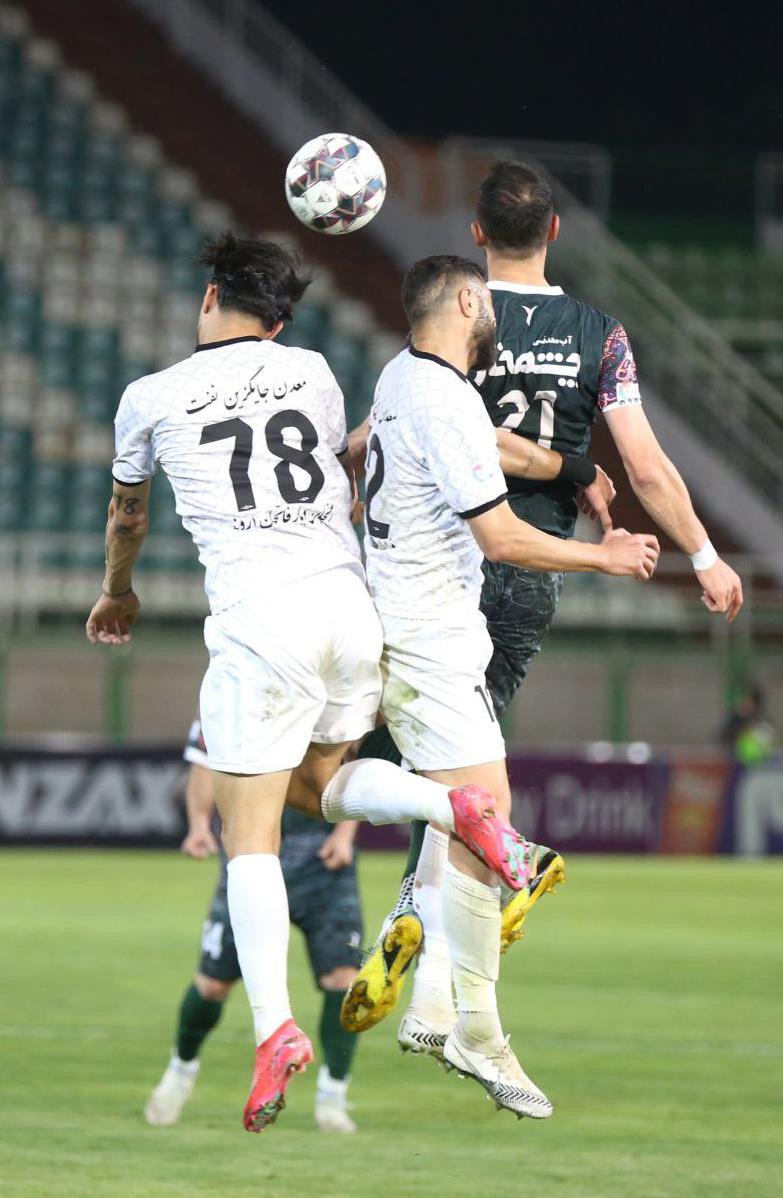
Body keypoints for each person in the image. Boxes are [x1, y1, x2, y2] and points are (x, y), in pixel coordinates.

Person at [84, 232, 567, 1133]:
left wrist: (118, 591)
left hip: (260, 621)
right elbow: (345, 467)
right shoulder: (313, 372)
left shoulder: (148, 397)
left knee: (251, 836)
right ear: (278, 321)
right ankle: (453, 807)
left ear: (209, 297)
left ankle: (273, 1029)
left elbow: (128, 516)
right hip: (350, 610)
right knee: (315, 788)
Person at [343, 161, 744, 1049]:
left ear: (476, 235)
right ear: (554, 231)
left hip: (425, 563)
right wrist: (703, 555)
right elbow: (645, 468)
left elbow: (391, 429)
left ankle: (395, 910)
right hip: (527, 563)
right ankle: (427, 959)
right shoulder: (599, 334)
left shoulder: (454, 314)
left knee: (422, 763)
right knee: (466, 774)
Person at [352, 252, 659, 1118]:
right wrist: (602, 557)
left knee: (409, 804)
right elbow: (502, 540)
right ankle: (474, 1030)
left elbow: (474, 446)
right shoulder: (448, 399)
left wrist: (568, 470)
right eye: (484, 301)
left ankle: (431, 1005)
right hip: (431, 634)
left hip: (384, 616)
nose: (492, 312)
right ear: (465, 300)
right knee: (485, 824)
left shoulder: (399, 377)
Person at [145, 719, 364, 1133]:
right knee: (212, 985)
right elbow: (203, 763)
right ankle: (180, 1070)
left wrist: (345, 834)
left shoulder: (329, 692)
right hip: (251, 862)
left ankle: (332, 1095)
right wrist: (198, 825)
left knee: (343, 979)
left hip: (322, 865)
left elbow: (355, 760)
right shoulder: (228, 696)